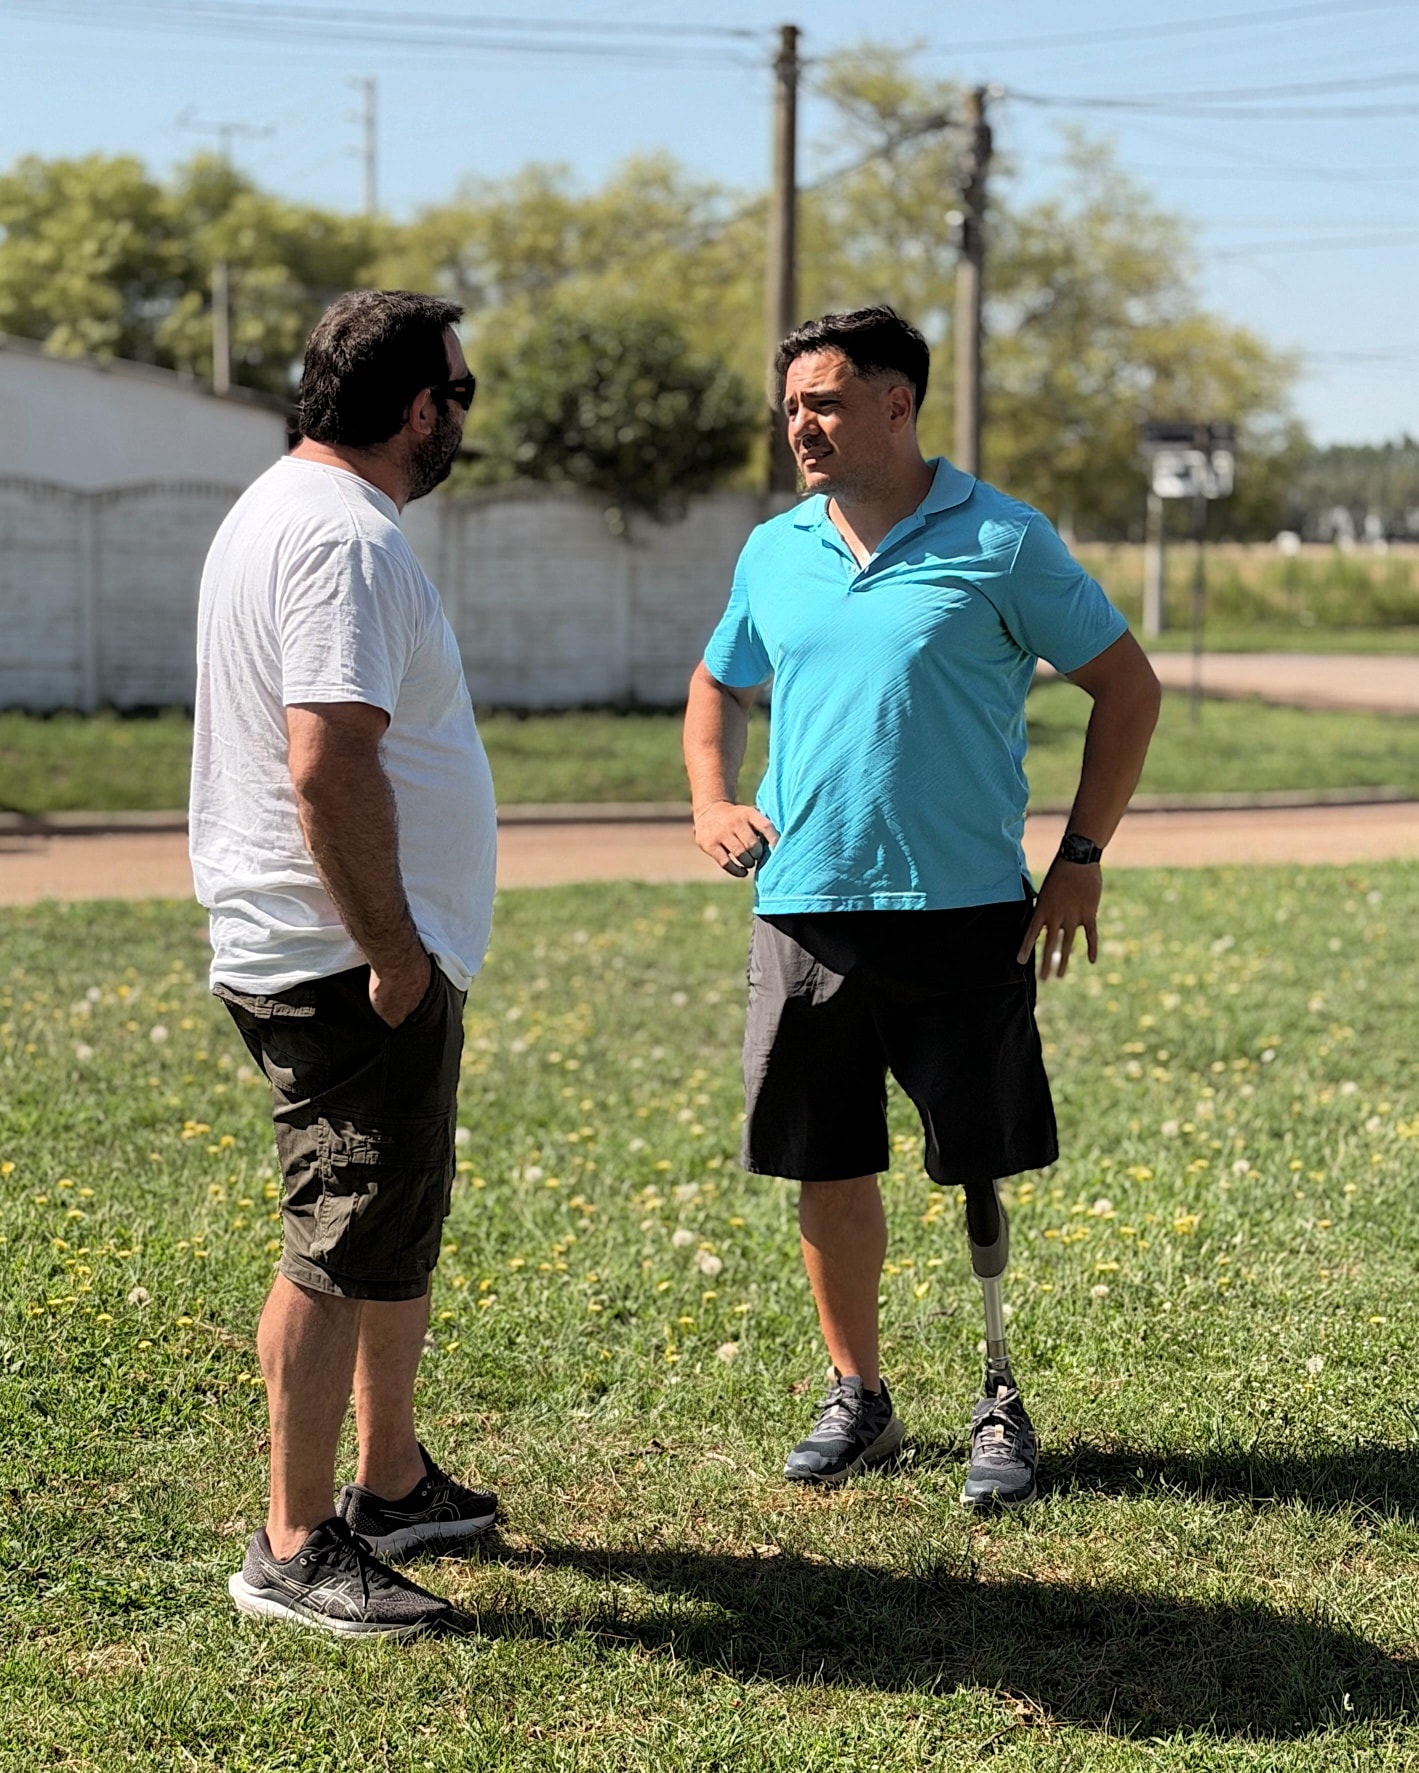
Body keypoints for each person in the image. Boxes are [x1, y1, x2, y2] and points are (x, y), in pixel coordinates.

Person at [683, 305, 1160, 1506]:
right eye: (793, 407)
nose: (802, 425)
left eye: (827, 403)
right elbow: (718, 682)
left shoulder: (1002, 539)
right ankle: (859, 1395)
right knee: (825, 1161)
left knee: (979, 1158)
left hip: (962, 910)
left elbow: (1127, 685)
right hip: (804, 906)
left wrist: (1082, 855)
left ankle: (1000, 1392)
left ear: (898, 406)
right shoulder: (774, 550)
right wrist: (711, 800)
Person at [190, 289, 498, 1636]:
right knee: (334, 1238)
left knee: (383, 1222)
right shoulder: (340, 537)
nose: (462, 418)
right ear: (419, 408)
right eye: (460, 394)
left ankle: (391, 1482)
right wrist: (392, 954)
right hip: (343, 957)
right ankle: (293, 1542)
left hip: (343, 946)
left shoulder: (288, 507)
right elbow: (325, 762)